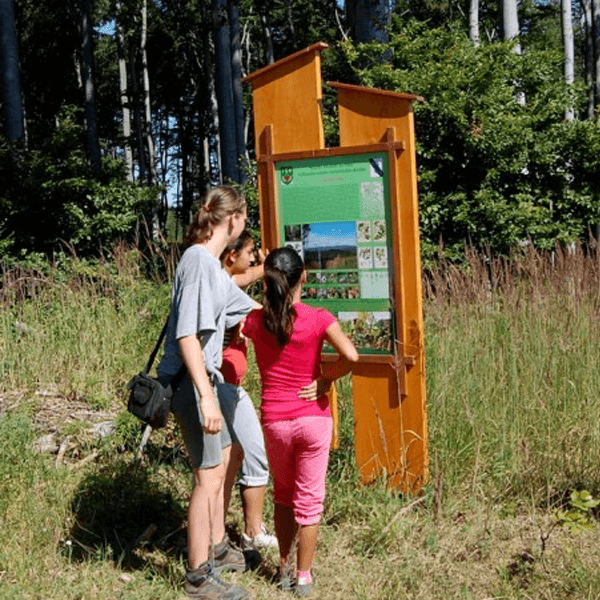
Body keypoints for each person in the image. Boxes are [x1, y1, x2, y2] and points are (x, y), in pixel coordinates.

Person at [157, 186, 258, 600]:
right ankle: (198, 576)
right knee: (207, 475)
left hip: (202, 381)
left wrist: (303, 312)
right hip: (191, 382)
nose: (244, 229)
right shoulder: (198, 261)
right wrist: (206, 395)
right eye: (244, 220)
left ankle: (216, 548)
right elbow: (186, 335)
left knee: (225, 458)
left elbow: (249, 306)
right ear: (231, 219)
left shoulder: (213, 267)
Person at [242, 246, 359, 597]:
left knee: (283, 495)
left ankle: (282, 566)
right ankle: (304, 576)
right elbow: (350, 355)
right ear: (303, 277)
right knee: (310, 501)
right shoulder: (318, 317)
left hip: (275, 420)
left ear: (268, 281)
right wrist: (325, 381)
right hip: (313, 419)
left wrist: (258, 273)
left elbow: (236, 316)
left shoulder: (254, 321)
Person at [218, 231, 278, 551]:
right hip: (224, 386)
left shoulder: (220, 276)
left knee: (233, 456)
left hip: (228, 384)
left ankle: (222, 531)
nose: (254, 258)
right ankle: (251, 531)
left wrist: (265, 269)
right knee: (252, 451)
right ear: (231, 255)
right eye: (251, 251)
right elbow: (263, 315)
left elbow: (244, 276)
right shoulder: (224, 287)